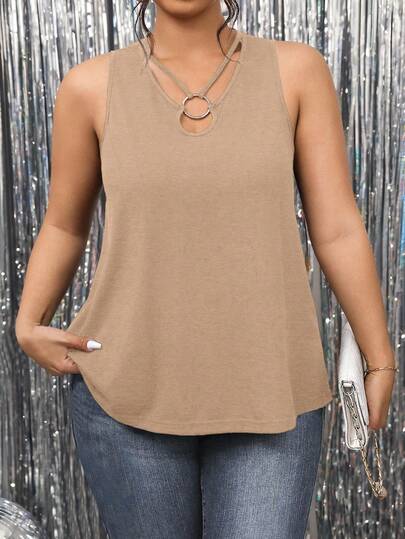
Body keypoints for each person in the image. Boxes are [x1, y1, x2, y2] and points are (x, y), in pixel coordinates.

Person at [15, 0, 396, 536]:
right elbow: (63, 225)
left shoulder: (296, 72)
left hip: (271, 390)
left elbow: (335, 227)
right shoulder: (90, 86)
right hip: (125, 393)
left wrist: (380, 359)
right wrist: (28, 323)